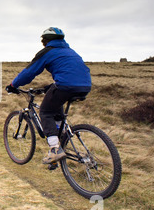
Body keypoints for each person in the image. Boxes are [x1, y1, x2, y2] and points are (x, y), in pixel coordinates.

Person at [6, 27, 92, 164]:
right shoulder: (70, 51)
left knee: (45, 112)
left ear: (46, 40)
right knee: (56, 109)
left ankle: (54, 150)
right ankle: (62, 138)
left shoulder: (47, 52)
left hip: (65, 86)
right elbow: (69, 72)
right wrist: (48, 88)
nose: (43, 42)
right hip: (85, 85)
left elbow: (29, 72)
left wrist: (13, 85)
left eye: (43, 40)